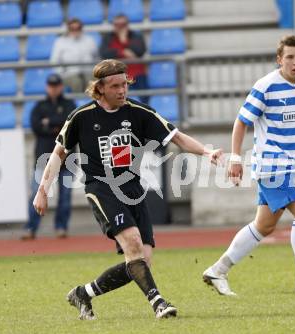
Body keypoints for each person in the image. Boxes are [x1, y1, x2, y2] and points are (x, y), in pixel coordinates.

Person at [32, 59, 223, 319]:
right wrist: (43, 189)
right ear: (99, 88)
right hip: (101, 188)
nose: (122, 90)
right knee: (132, 243)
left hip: (133, 188)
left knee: (140, 261)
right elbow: (58, 153)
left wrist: (207, 151)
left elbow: (176, 136)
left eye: (125, 84)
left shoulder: (138, 112)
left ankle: (83, 293)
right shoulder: (82, 116)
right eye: (115, 86)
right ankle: (159, 303)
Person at [202, 35, 295, 295]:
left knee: (264, 225)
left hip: (291, 161)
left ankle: (218, 270)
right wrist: (235, 158)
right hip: (273, 162)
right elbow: (241, 121)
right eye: (289, 57)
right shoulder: (266, 86)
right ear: (279, 59)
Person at [22, 74, 76, 240]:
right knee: (37, 194)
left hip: (67, 159)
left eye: (56, 85)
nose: (54, 88)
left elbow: (71, 126)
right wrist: (57, 126)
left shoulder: (69, 104)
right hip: (44, 159)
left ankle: (61, 227)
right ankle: (31, 228)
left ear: (61, 86)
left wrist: (49, 123)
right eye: (51, 85)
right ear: (47, 87)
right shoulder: (39, 106)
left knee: (65, 197)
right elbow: (36, 127)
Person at [99, 14, 148, 102]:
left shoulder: (136, 36)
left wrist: (124, 40)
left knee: (144, 96)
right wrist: (122, 52)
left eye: (123, 25)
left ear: (127, 25)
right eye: (117, 25)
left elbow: (140, 51)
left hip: (136, 73)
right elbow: (104, 53)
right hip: (115, 73)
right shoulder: (108, 37)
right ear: (113, 26)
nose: (120, 28)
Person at [50, 18, 99, 92]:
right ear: (68, 29)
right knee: (76, 82)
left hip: (88, 72)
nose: (75, 31)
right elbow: (54, 61)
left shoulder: (90, 40)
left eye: (78, 28)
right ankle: (79, 103)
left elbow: (96, 58)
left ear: (81, 28)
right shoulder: (60, 42)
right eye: (72, 28)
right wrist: (62, 73)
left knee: (95, 82)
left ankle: (93, 102)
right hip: (69, 74)